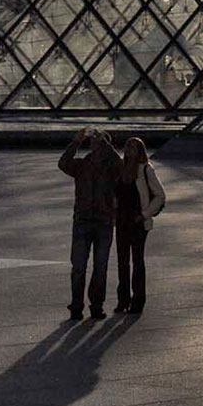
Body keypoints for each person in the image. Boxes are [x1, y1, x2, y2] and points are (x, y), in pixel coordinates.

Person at [59, 130, 122, 320]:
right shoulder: (81, 165)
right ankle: (77, 306)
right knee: (79, 267)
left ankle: (96, 306)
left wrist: (107, 144)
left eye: (100, 143)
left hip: (102, 221)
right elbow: (63, 164)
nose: (95, 145)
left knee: (99, 268)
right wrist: (75, 142)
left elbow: (121, 165)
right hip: (84, 221)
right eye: (94, 143)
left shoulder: (112, 168)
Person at [113, 137, 166, 315]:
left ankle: (138, 300)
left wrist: (144, 215)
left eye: (134, 147)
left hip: (137, 221)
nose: (129, 149)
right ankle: (123, 300)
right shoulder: (120, 169)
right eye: (128, 145)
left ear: (140, 151)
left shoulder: (146, 169)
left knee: (136, 261)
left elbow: (160, 195)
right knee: (122, 262)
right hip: (121, 220)